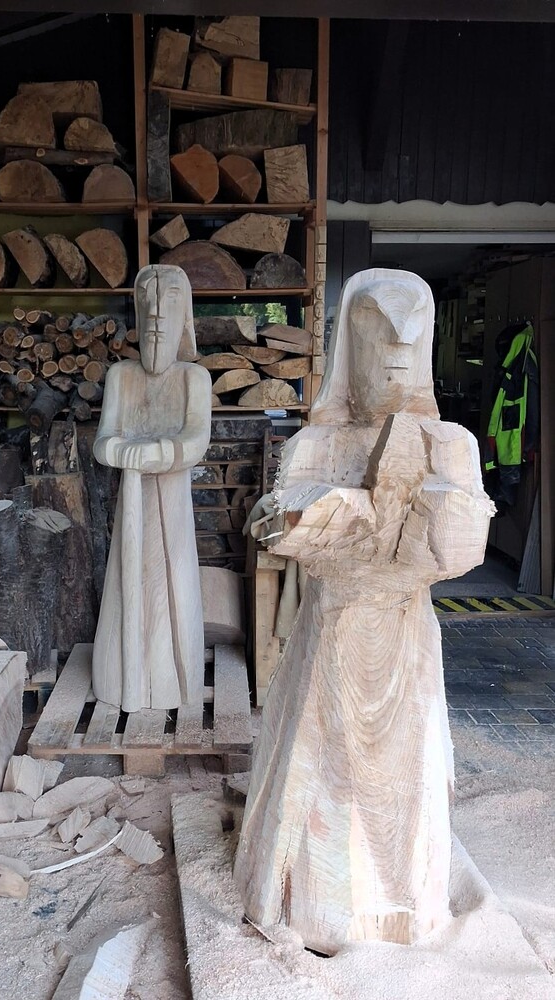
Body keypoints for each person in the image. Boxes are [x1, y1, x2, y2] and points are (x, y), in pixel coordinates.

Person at [234, 268, 494, 954]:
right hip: (331, 640)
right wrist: (313, 518)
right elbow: (272, 523)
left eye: (411, 336)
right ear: (350, 342)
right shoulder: (315, 444)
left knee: (403, 780)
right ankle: (319, 908)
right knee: (324, 777)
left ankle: (404, 907)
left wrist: (440, 519)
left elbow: (462, 549)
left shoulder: (452, 445)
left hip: (406, 638)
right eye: (378, 331)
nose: (397, 351)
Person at [92, 264, 212, 713]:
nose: (158, 317)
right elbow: (103, 439)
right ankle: (121, 677)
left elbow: (196, 439)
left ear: (185, 320)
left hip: (172, 504)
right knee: (127, 585)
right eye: (149, 307)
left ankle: (171, 681)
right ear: (139, 320)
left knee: (172, 588)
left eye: (170, 305)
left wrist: (156, 453)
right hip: (132, 501)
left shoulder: (193, 379)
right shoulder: (121, 377)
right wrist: (122, 451)